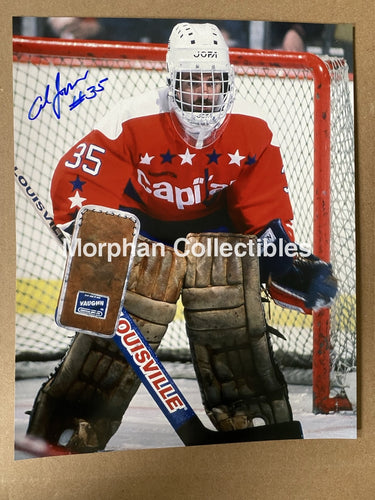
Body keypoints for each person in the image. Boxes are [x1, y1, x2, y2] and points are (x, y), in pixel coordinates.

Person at [26, 22, 337, 452]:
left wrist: (284, 266)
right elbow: (80, 184)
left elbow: (261, 216)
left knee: (226, 284)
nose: (205, 95)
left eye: (214, 83)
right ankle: (74, 414)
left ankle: (248, 414)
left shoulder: (254, 128)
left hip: (212, 227)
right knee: (136, 293)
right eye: (194, 83)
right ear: (172, 82)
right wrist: (95, 245)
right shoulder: (131, 120)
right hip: (141, 223)